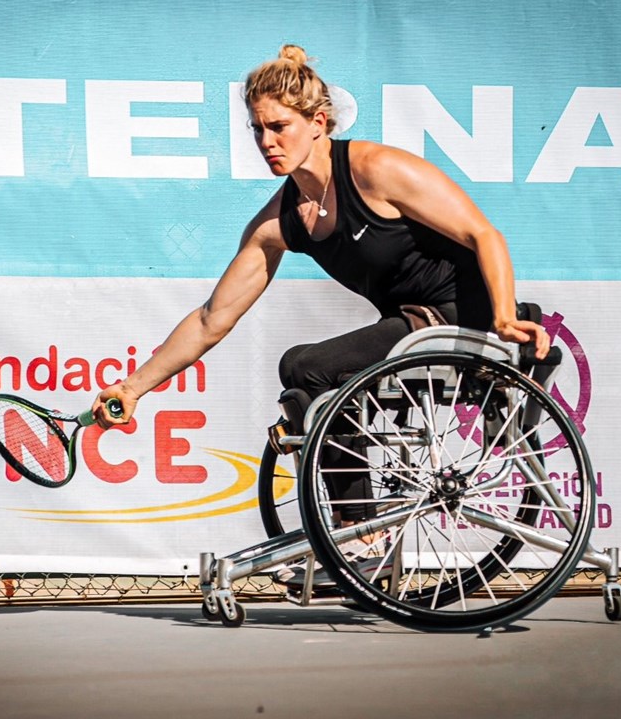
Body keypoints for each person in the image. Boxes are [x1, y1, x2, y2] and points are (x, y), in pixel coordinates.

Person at [93, 45, 549, 513]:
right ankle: (355, 530)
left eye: (278, 126)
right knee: (300, 371)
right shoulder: (280, 222)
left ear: (317, 123)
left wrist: (504, 316)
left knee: (310, 368)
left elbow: (483, 233)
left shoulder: (376, 170)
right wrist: (132, 388)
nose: (266, 141)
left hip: (466, 315)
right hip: (411, 326)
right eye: (258, 128)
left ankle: (362, 532)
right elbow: (213, 319)